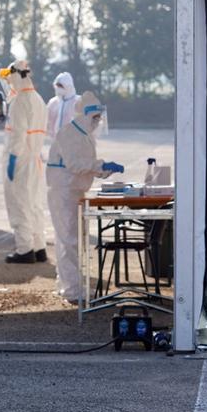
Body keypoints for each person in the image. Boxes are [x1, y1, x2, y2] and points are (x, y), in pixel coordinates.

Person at [45, 92, 124, 304]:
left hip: (74, 192)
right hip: (63, 192)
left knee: (71, 240)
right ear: (85, 115)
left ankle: (67, 285)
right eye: (95, 118)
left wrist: (104, 169)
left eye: (99, 118)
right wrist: (101, 166)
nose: (98, 122)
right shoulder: (69, 133)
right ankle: (71, 290)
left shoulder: (84, 134)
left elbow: (85, 165)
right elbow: (76, 165)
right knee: (69, 241)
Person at [0, 60, 49, 264]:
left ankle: (24, 249)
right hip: (35, 159)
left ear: (16, 76)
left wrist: (12, 158)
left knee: (19, 203)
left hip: (20, 159)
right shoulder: (38, 99)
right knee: (35, 204)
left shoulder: (20, 101)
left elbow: (18, 134)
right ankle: (39, 247)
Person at [45, 71, 80, 141]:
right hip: (56, 141)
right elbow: (46, 119)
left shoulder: (79, 101)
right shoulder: (53, 102)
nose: (58, 88)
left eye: (60, 86)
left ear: (68, 86)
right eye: (57, 86)